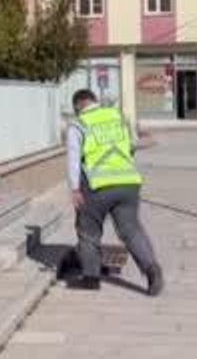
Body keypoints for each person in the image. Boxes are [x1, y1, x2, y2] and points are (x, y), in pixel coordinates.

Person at [66, 89, 163, 296]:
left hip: (97, 186)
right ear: (95, 101)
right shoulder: (118, 116)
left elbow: (73, 159)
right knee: (131, 230)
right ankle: (152, 270)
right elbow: (131, 145)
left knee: (88, 231)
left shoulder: (78, 124)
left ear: (78, 106)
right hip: (128, 182)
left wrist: (74, 189)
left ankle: (91, 278)